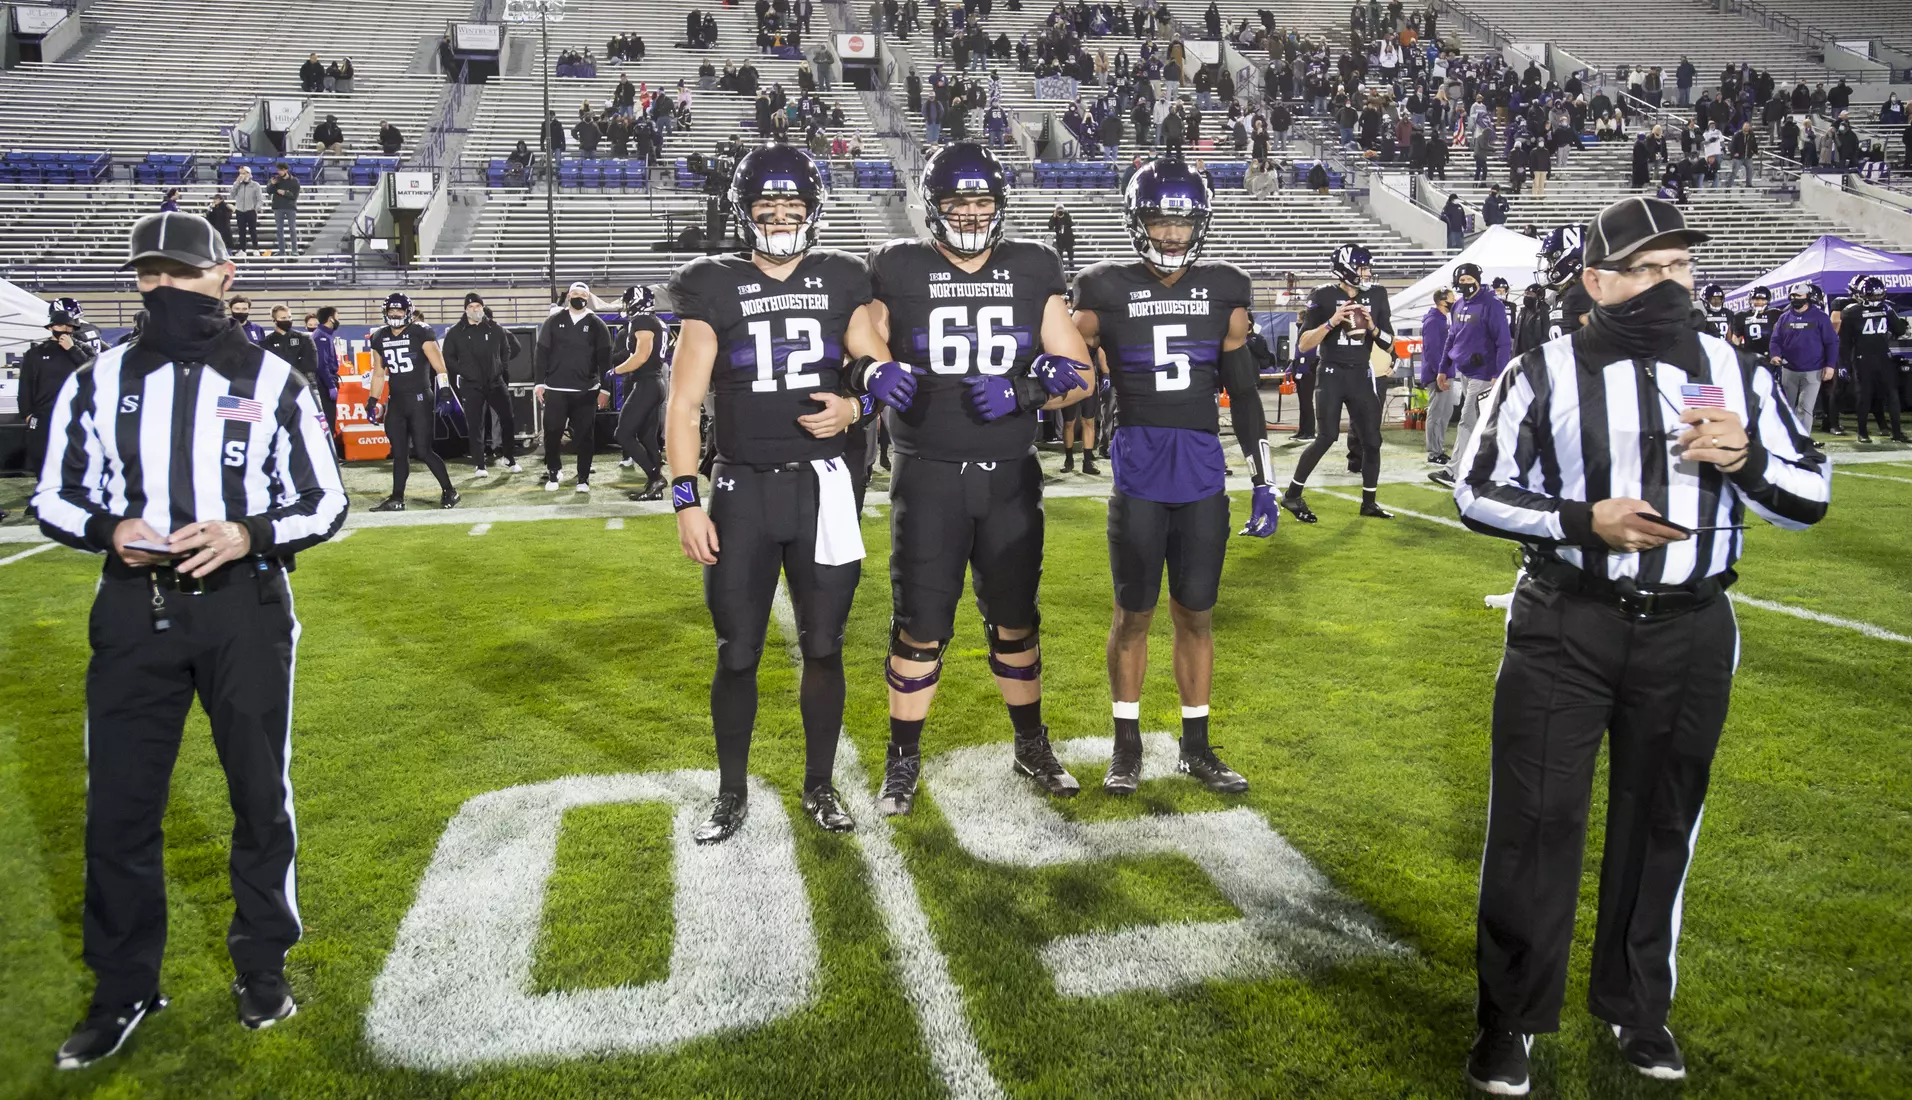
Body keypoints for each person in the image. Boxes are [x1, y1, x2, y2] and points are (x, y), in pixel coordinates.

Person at [1454, 195, 1830, 1096]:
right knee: (1534, 824)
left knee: (1663, 822)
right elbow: (1475, 490)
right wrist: (1584, 520)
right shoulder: (1541, 371)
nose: (1671, 283)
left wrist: (1746, 462)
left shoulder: (1735, 372)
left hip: (1691, 627)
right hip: (1566, 621)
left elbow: (1810, 498)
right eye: (1648, 268)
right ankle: (1510, 1018)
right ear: (1596, 282)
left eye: (1681, 266)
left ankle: (1637, 1005)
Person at [35, 211, 346, 1069]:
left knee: (258, 793)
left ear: (224, 275)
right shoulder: (96, 380)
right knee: (120, 805)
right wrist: (109, 530)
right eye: (150, 275)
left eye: (181, 271)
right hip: (134, 607)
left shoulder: (274, 379)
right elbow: (53, 494)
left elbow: (325, 499)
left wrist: (249, 533)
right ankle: (124, 986)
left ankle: (262, 962)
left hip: (245, 605)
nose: (165, 287)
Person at [855, 142, 1097, 816]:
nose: (969, 212)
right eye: (957, 201)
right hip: (927, 474)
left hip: (1009, 475)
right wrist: (872, 372)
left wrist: (1026, 392)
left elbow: (1081, 374)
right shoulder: (897, 265)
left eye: (981, 200)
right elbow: (863, 343)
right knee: (920, 626)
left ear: (999, 205)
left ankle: (1031, 743)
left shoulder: (1033, 265)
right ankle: (902, 759)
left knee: (1016, 620)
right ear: (933, 206)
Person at [665, 146, 895, 842]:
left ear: (812, 211)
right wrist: (685, 500)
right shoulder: (713, 283)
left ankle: (820, 785)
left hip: (824, 487)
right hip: (743, 490)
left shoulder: (842, 277)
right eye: (767, 206)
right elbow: (683, 404)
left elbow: (881, 371)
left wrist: (854, 409)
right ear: (745, 212)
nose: (780, 217)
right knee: (737, 649)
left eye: (792, 206)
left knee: (824, 644)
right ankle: (731, 792)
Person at [1071, 159, 1279, 796]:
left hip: (1201, 473)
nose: (1170, 234)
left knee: (1197, 616)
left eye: (1182, 223)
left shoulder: (1226, 287)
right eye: (1160, 221)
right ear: (1138, 222)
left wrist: (1264, 479)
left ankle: (1196, 747)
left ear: (1200, 225)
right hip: (1139, 468)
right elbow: (1064, 361)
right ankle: (1126, 746)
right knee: (1132, 615)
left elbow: (1244, 396)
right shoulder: (1100, 287)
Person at [1278, 243, 1395, 522]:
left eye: (1367, 268)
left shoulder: (1377, 295)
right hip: (1331, 374)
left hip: (1361, 375)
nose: (1367, 273)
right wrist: (1331, 322)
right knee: (1327, 436)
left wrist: (1372, 327)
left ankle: (1369, 503)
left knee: (1372, 440)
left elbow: (1390, 344)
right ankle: (1292, 495)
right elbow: (1304, 344)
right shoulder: (1323, 295)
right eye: (1362, 268)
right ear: (1345, 269)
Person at [367, 292, 460, 511]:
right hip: (397, 401)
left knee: (423, 450)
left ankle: (450, 491)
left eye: (399, 310)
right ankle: (397, 498)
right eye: (391, 310)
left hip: (420, 399)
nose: (395, 314)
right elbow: (379, 373)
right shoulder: (379, 336)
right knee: (399, 453)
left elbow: (440, 367)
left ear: (408, 312)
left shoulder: (421, 332)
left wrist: (445, 392)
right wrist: (372, 400)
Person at [1426, 262, 1510, 490]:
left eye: (1468, 280)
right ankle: (1490, 469)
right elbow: (1452, 338)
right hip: (1464, 371)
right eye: (1461, 281)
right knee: (1484, 424)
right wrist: (1443, 368)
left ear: (1477, 280)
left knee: (1467, 421)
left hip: (1484, 374)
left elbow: (1503, 342)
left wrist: (1498, 373)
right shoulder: (1458, 305)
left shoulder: (1492, 305)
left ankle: (1454, 472)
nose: (1465, 284)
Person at [536, 281, 613, 492]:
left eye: (583, 294)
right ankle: (554, 472)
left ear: (588, 298)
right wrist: (539, 383)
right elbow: (541, 353)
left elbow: (605, 360)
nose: (579, 297)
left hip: (586, 391)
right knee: (552, 433)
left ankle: (583, 478)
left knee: (585, 436)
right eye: (575, 294)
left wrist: (605, 389)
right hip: (556, 389)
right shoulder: (553, 321)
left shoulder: (597, 324)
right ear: (569, 296)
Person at [19, 298, 98, 492]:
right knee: (42, 458)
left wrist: (72, 349)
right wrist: (27, 414)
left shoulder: (84, 349)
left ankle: (74, 494)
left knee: (76, 458)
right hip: (44, 415)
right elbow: (26, 386)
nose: (65, 329)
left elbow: (94, 374)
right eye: (61, 325)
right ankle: (45, 494)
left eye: (69, 326)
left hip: (75, 413)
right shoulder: (35, 353)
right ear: (51, 327)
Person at [442, 292, 524, 477]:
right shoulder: (456, 332)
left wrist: (500, 367)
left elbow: (506, 349)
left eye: (478, 306)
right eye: (471, 307)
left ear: (482, 307)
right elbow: (448, 357)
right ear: (465, 309)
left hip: (496, 382)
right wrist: (465, 372)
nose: (475, 309)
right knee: (475, 425)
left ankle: (509, 458)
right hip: (471, 385)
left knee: (508, 419)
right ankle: (480, 465)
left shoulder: (495, 327)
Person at [608, 286, 670, 500]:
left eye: (628, 302)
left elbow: (641, 355)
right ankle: (655, 488)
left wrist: (615, 371)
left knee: (623, 434)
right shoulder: (657, 321)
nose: (626, 306)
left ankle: (655, 477)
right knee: (647, 436)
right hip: (654, 383)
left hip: (646, 384)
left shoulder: (642, 321)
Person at [1840, 275, 1910, 443]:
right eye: (1872, 295)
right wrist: (1843, 364)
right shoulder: (1853, 312)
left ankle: (1895, 432)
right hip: (1864, 359)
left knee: (1891, 395)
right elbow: (1845, 342)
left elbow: (1899, 330)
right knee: (1865, 396)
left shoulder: (1883, 308)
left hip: (1880, 358)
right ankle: (1863, 432)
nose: (1876, 299)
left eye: (1879, 295)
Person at [1769, 285, 1838, 433]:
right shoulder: (1784, 317)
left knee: (1805, 407)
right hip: (1789, 368)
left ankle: (1803, 439)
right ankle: (1788, 438)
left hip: (1813, 369)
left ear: (1808, 297)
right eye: (1793, 296)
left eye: (1799, 296)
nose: (1795, 299)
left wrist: (1830, 365)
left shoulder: (1820, 317)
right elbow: (1775, 340)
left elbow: (1832, 342)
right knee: (1787, 407)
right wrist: (1775, 354)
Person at [1420, 288, 1456, 463]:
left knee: (1445, 412)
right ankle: (1434, 453)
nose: (1454, 300)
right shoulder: (1433, 321)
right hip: (1438, 375)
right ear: (1442, 301)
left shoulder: (1441, 320)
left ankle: (1438, 449)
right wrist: (1439, 373)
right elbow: (1432, 351)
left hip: (1445, 372)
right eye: (1451, 298)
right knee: (1436, 413)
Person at [259, 307, 318, 406]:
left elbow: (311, 365)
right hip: (277, 389)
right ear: (274, 320)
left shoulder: (304, 338)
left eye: (289, 317)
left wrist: (312, 388)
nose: (287, 320)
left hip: (301, 387)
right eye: (283, 318)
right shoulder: (266, 343)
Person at [308, 307, 342, 445]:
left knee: (329, 419)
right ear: (330, 319)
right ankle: (329, 450)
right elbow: (322, 365)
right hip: (324, 384)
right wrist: (330, 385)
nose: (338, 320)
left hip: (325, 382)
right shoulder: (321, 336)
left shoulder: (324, 335)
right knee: (328, 419)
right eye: (337, 317)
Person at [265, 164, 300, 255]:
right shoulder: (275, 180)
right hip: (278, 207)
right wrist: (272, 184)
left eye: (281, 170)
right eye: (278, 170)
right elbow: (268, 191)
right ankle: (281, 251)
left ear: (286, 170)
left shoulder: (294, 181)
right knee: (279, 230)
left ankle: (294, 250)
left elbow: (294, 196)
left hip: (290, 207)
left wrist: (285, 193)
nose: (279, 172)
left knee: (292, 229)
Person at [230, 166, 263, 254]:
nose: (242, 175)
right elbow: (232, 195)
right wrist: (237, 183)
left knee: (253, 231)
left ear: (249, 174)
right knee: (241, 231)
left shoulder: (255, 185)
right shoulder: (237, 185)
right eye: (240, 173)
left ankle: (256, 249)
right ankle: (243, 250)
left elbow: (260, 199)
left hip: (251, 210)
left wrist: (256, 209)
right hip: (240, 211)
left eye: (244, 173)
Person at [1048, 203, 1076, 269]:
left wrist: (1064, 216)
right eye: (1058, 210)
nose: (1060, 212)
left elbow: (1071, 223)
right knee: (1060, 257)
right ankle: (1061, 270)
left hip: (1068, 239)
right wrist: (1054, 217)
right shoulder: (1055, 217)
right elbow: (1050, 226)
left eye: (1061, 210)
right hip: (1060, 240)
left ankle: (1072, 272)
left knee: (1071, 257)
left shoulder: (1066, 215)